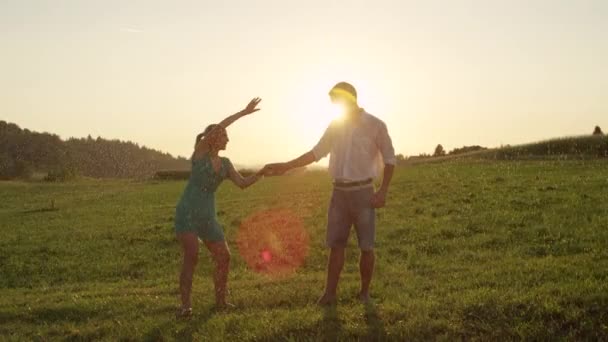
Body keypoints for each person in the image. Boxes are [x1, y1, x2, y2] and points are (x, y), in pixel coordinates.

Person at [263, 83, 396, 305]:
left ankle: (364, 294)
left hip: (364, 193)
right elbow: (316, 153)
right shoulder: (335, 125)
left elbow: (390, 159)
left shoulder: (375, 125)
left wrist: (383, 191)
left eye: (337, 100)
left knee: (367, 246)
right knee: (336, 245)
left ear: (350, 98)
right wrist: (287, 166)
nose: (334, 105)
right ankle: (329, 294)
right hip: (339, 193)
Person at [175, 98, 264, 317]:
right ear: (213, 138)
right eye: (224, 136)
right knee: (192, 255)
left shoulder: (225, 164)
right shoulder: (200, 153)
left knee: (224, 257)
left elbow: (242, 184)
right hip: (187, 213)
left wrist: (263, 172)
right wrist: (244, 112)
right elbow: (222, 125)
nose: (227, 139)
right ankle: (186, 307)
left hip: (207, 217)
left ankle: (221, 302)